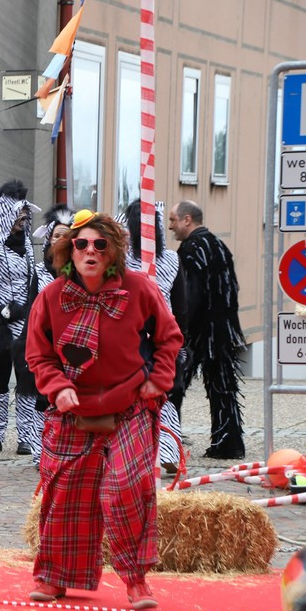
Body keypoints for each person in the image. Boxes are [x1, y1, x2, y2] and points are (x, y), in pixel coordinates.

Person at [25, 210, 182, 611]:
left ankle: (137, 581)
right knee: (66, 495)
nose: (90, 251)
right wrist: (56, 387)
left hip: (129, 403)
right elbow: (38, 354)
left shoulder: (139, 288)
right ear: (69, 250)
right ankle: (57, 577)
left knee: (127, 489)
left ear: (112, 251)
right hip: (72, 406)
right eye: (82, 244)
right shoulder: (51, 296)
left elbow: (169, 337)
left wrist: (158, 380)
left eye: (99, 244)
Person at [168, 200, 245, 460]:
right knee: (223, 388)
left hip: (198, 331)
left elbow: (189, 295)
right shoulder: (218, 245)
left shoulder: (191, 249)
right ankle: (229, 444)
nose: (170, 227)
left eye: (173, 220)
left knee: (173, 385)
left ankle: (167, 442)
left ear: (187, 219)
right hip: (222, 329)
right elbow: (231, 289)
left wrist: (181, 329)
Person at [0, 181, 42, 460]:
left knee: (26, 380)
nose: (23, 222)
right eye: (19, 217)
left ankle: (26, 436)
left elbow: (31, 281)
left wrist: (24, 308)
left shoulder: (26, 244)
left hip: (22, 322)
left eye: (25, 218)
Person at [124, 200, 188, 473]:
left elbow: (181, 305)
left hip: (143, 336)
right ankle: (163, 452)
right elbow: (182, 307)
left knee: (150, 394)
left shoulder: (124, 261)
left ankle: (160, 452)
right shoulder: (168, 259)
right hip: (155, 334)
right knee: (163, 394)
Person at [33, 203, 74, 293]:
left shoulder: (78, 269)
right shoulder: (39, 271)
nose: (60, 240)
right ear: (50, 239)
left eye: (65, 236)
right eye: (57, 236)